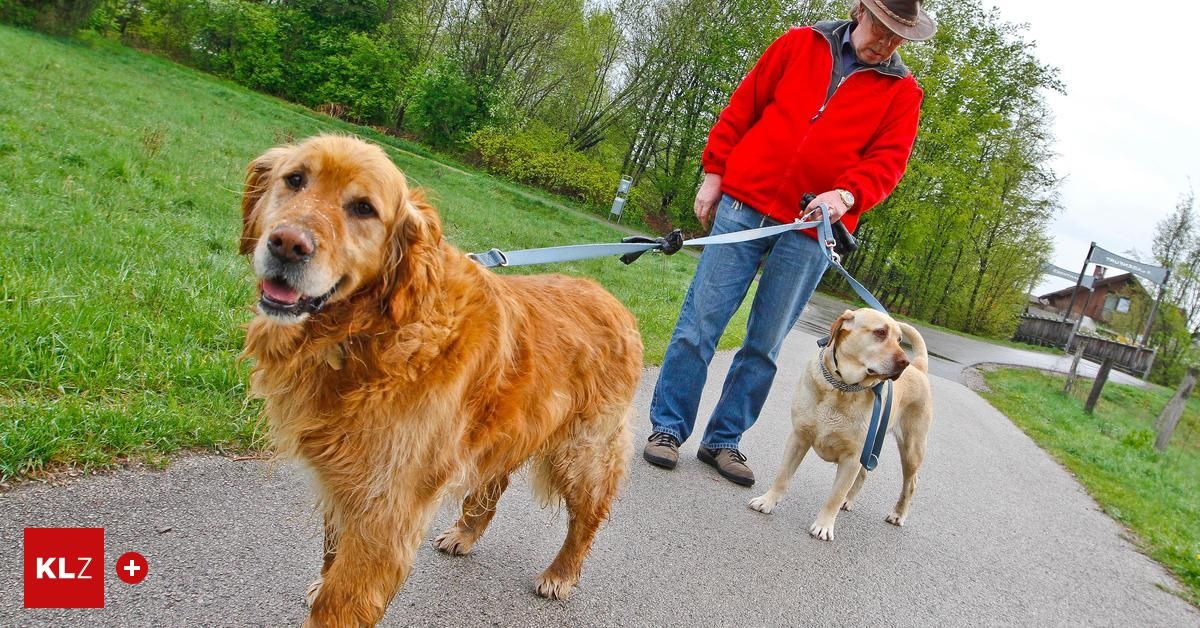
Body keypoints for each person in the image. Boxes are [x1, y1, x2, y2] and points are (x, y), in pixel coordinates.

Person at [642, 1, 937, 486]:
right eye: (881, 28)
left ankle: (723, 440)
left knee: (765, 342)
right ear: (859, 11)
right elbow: (744, 106)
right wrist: (715, 172)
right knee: (700, 323)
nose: (885, 42)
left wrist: (845, 195)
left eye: (898, 36)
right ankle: (668, 430)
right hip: (743, 203)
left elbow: (888, 163)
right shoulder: (799, 43)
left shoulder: (902, 93)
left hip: (811, 230)